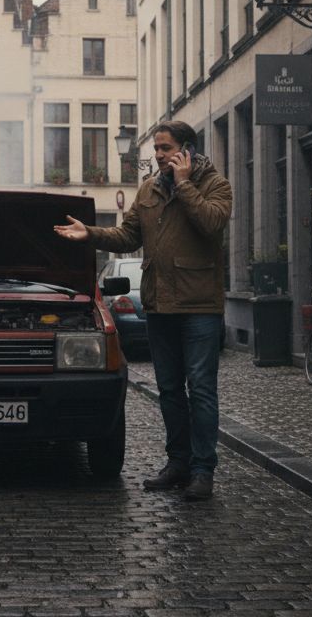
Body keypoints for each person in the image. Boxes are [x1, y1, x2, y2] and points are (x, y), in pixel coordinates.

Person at [54, 120, 232, 500]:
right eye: (157, 149)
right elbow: (128, 235)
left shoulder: (215, 184)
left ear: (187, 150)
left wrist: (184, 186)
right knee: (169, 389)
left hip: (199, 305)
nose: (159, 155)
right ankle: (178, 463)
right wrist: (91, 233)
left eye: (166, 148)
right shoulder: (149, 190)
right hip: (159, 304)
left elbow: (212, 223)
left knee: (200, 389)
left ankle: (203, 470)